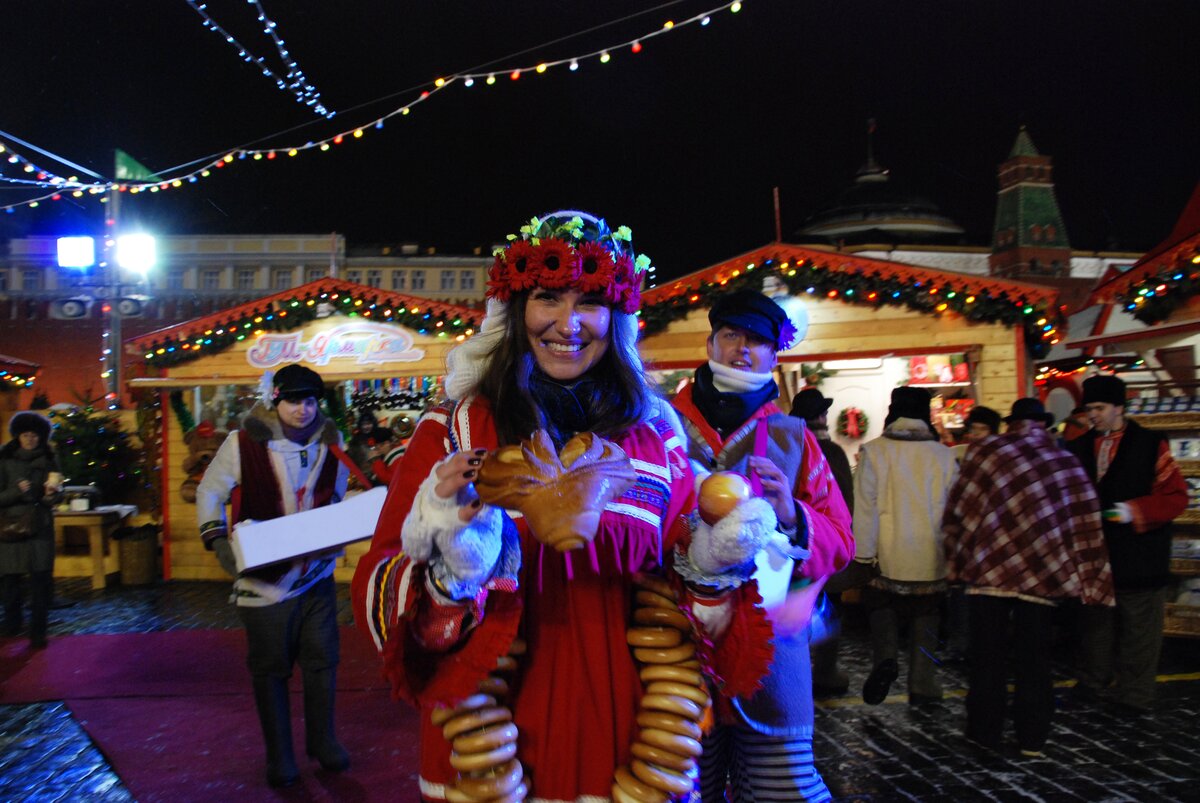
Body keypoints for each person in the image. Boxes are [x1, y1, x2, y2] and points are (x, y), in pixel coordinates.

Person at [355, 211, 768, 801]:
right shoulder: (454, 432)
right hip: (490, 738)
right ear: (515, 310)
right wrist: (452, 575)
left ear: (616, 319)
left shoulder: (658, 436)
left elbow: (689, 597)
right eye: (548, 297)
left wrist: (714, 558)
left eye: (590, 301)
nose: (568, 323)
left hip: (628, 729)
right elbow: (383, 577)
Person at [672, 291, 854, 801]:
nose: (742, 349)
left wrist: (792, 513)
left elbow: (841, 540)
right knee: (680, 784)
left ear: (774, 354)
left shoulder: (795, 438)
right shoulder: (660, 425)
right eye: (731, 335)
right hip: (674, 641)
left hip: (770, 648)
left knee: (781, 786)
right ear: (710, 343)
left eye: (757, 340)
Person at [196, 364, 351, 787]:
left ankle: (323, 741)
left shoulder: (332, 441)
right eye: (293, 401)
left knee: (322, 660)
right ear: (275, 400)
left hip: (316, 574)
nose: (303, 409)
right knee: (270, 668)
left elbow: (335, 494)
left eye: (310, 401)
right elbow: (210, 490)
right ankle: (280, 756)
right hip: (264, 579)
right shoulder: (243, 442)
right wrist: (217, 540)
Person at [943, 398, 1114, 755]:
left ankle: (984, 732)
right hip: (1042, 577)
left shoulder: (987, 453)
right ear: (1044, 425)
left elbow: (959, 510)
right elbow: (1085, 521)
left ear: (1011, 424)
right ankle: (1032, 738)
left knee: (987, 658)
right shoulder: (1064, 461)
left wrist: (956, 563)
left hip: (989, 573)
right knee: (1035, 660)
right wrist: (1091, 579)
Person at [1067, 375, 1188, 714]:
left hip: (1140, 556)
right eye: (1089, 408)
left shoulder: (1150, 444)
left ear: (1119, 407)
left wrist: (1134, 511)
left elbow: (1176, 496)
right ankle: (1093, 682)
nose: (1093, 415)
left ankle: (1134, 695)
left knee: (1139, 629)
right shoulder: (1079, 447)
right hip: (1095, 558)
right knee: (1097, 627)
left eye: (1100, 408)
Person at [852, 386, 958, 705]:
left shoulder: (874, 451)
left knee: (881, 606)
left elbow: (865, 507)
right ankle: (922, 682)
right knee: (927, 613)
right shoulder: (944, 455)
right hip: (930, 552)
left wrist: (863, 555)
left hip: (887, 552)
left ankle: (885, 659)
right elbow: (954, 508)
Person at [790, 386, 855, 697]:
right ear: (821, 416)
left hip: (794, 550)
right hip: (826, 547)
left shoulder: (787, 445)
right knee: (829, 612)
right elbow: (846, 504)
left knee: (794, 615)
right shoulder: (833, 453)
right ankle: (825, 673)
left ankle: (795, 674)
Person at [0, 412, 61, 650]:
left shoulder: (49, 458)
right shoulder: (4, 458)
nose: (30, 439)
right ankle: (11, 628)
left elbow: (57, 493)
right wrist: (16, 492)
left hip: (40, 527)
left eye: (34, 435)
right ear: (18, 435)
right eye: (26, 435)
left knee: (40, 583)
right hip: (11, 529)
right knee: (10, 584)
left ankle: (38, 633)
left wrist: (51, 495)